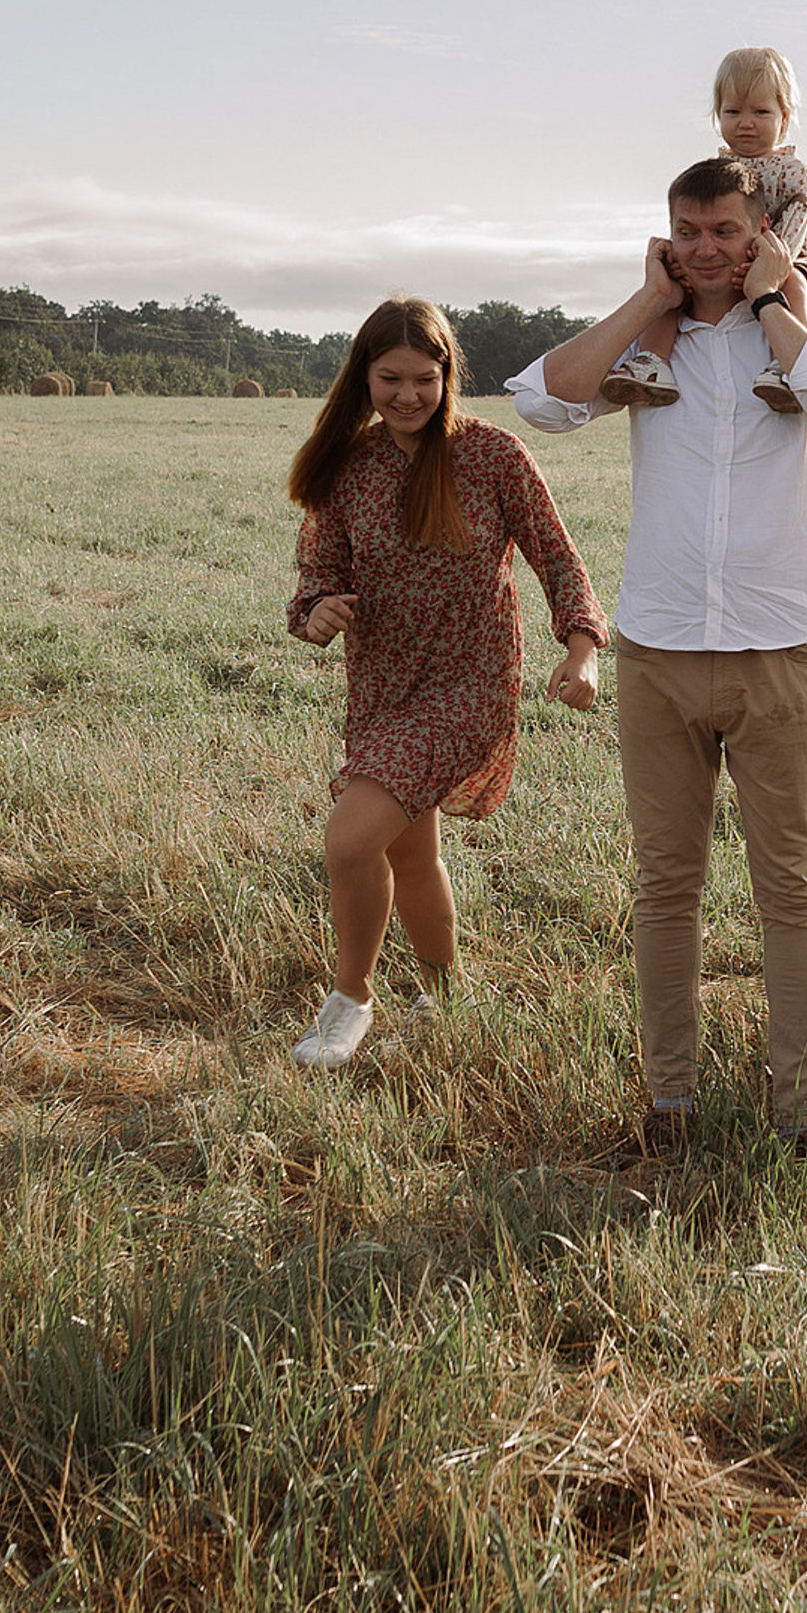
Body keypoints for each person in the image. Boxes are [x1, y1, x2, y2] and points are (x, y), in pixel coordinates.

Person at [511, 156, 807, 1153]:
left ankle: (797, 1112)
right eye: (689, 229)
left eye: (725, 228)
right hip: (660, 648)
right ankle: (669, 1103)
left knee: (789, 887)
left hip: (780, 647)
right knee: (665, 883)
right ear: (668, 234)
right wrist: (645, 298)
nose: (707, 246)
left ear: (759, 228)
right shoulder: (651, 348)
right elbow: (542, 401)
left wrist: (773, 303)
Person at [285, 296, 608, 1068]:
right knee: (408, 855)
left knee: (349, 838)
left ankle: (351, 1000)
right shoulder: (349, 467)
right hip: (381, 688)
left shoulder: (492, 455)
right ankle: (445, 998)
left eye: (424, 379)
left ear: (447, 376)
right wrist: (318, 610)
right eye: (389, 378)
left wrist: (584, 648)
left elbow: (559, 559)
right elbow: (316, 578)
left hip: (470, 686)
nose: (407, 396)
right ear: (362, 377)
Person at [603, 46, 807, 417]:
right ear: (717, 115)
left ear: (784, 119)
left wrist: (771, 264)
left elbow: (799, 220)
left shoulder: (793, 172)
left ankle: (788, 366)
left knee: (795, 286)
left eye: (760, 112)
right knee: (672, 291)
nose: (746, 123)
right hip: (724, 260)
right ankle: (652, 362)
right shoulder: (716, 169)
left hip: (783, 257)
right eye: (732, 112)